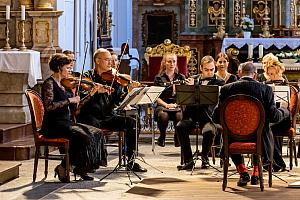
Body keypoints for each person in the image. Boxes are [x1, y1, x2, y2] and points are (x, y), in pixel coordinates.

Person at [214, 62, 290, 186]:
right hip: (258, 136)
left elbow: (216, 117)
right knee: (265, 130)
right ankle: (256, 173)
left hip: (233, 137)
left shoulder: (226, 89)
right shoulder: (265, 89)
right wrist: (284, 110)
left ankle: (243, 171)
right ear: (255, 75)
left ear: (239, 73)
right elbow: (274, 117)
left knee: (227, 130)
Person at [76, 48, 147, 172]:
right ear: (97, 61)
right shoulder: (87, 77)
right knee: (94, 127)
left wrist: (130, 90)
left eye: (111, 60)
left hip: (108, 115)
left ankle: (131, 160)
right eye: (107, 60)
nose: (111, 63)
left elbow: (118, 101)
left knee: (132, 123)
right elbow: (81, 98)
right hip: (90, 115)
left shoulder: (115, 78)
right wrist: (95, 90)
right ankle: (91, 162)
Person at [41, 53, 108, 181]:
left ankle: (81, 168)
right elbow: (49, 106)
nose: (70, 71)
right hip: (53, 125)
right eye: (68, 68)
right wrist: (69, 100)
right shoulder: (49, 83)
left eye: (71, 68)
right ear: (59, 67)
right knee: (84, 137)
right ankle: (65, 167)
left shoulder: (65, 85)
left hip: (66, 122)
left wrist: (91, 93)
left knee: (97, 133)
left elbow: (77, 107)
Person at [176, 55, 225, 170]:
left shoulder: (220, 83)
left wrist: (196, 88)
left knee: (209, 131)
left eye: (212, 69)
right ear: (201, 68)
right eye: (206, 70)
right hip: (191, 115)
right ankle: (188, 160)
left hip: (209, 117)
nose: (209, 72)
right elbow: (183, 98)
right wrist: (187, 88)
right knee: (180, 127)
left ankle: (205, 158)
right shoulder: (192, 79)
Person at [256, 53, 290, 171]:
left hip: (283, 116)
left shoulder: (284, 82)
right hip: (270, 115)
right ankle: (275, 162)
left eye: (275, 74)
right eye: (270, 74)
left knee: (266, 127)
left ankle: (273, 162)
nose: (272, 76)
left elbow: (286, 105)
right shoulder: (265, 84)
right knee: (265, 128)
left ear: (279, 71)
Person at [154, 53, 185, 147]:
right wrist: (166, 105)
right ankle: (162, 136)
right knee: (163, 115)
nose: (172, 64)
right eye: (169, 61)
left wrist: (176, 104)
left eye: (174, 61)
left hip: (177, 105)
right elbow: (156, 97)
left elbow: (185, 95)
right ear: (164, 63)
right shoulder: (159, 78)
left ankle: (177, 137)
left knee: (179, 116)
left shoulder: (181, 77)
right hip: (162, 105)